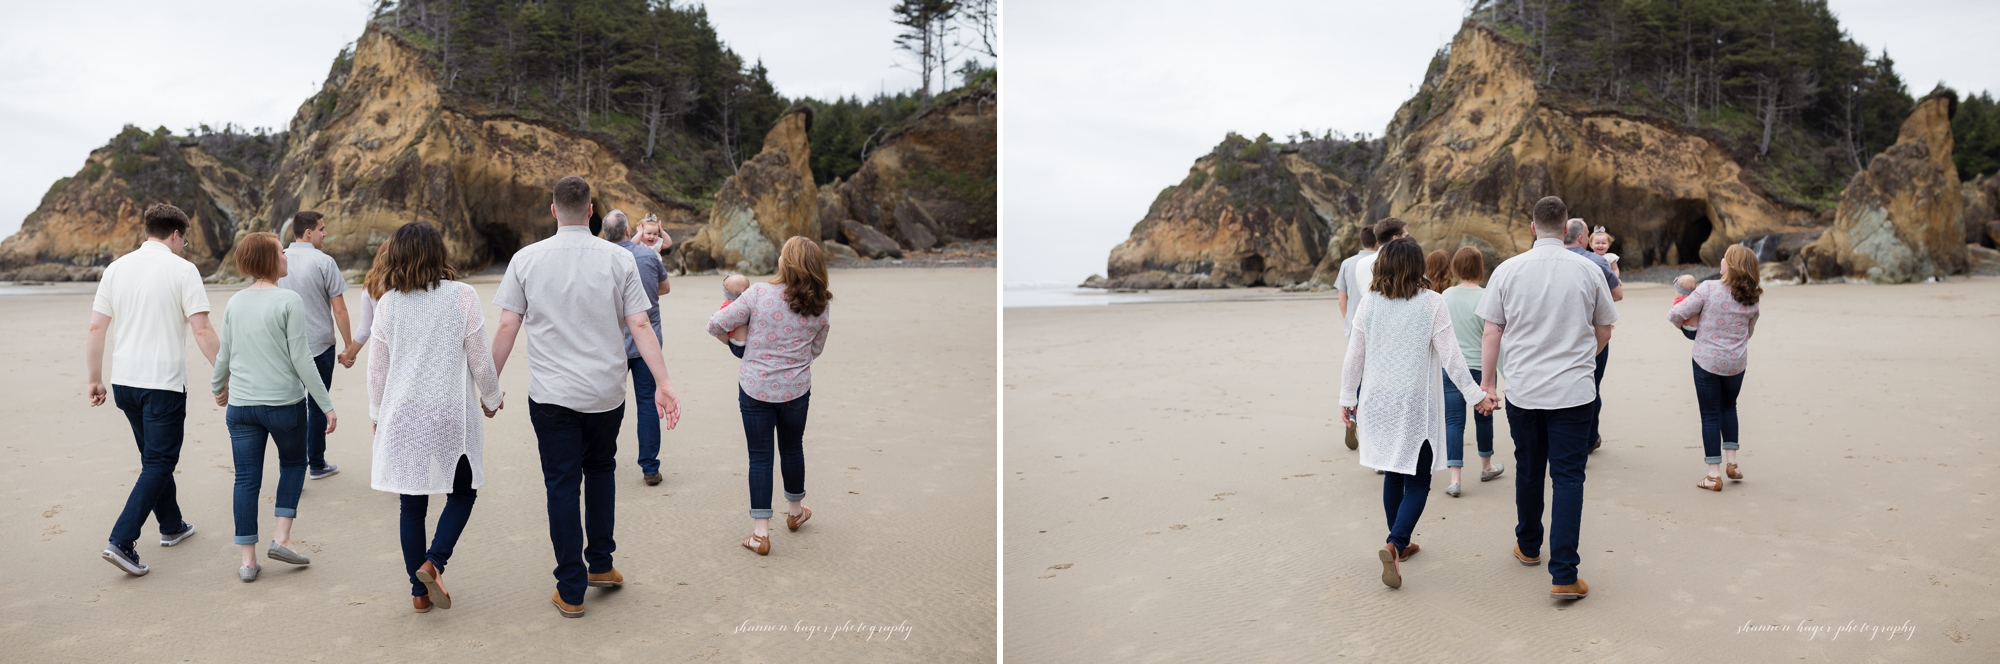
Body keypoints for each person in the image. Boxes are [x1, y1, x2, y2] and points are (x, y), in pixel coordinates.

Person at [491, 175, 680, 619]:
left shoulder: (526, 259)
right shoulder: (619, 260)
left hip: (553, 395)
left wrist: (488, 386)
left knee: (561, 485)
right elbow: (640, 325)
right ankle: (600, 564)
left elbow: (506, 327)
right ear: (591, 209)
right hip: (605, 393)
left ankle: (571, 588)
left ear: (553, 211)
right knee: (600, 472)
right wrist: (664, 382)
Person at [1476, 196, 1617, 600]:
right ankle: (1564, 573)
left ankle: (1528, 545)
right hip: (1573, 391)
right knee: (1569, 477)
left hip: (1524, 388)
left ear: (1534, 227)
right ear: (1567, 228)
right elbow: (1605, 328)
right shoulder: (1589, 268)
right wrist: (1580, 359)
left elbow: (1491, 332)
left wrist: (1489, 385)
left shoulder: (1507, 270)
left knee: (1529, 468)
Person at [365, 222, 505, 613]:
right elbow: (480, 358)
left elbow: (377, 369)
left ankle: (418, 593)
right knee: (463, 492)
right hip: (450, 412)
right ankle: (435, 561)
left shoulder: (388, 303)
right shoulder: (462, 296)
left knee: (412, 505)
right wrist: (492, 398)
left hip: (404, 412)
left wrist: (377, 415)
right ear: (438, 253)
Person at [1339, 237, 1491, 589]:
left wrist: (1348, 398)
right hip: (1413, 403)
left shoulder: (1368, 305)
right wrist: (1476, 396)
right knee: (1419, 480)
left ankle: (1400, 543)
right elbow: (1453, 357)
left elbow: (1354, 356)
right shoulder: (1432, 303)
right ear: (1416, 267)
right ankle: (1395, 543)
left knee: (1394, 471)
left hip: (1377, 401)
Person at [89, 203, 220, 576]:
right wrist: (227, 374)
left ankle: (172, 525)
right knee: (161, 461)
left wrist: (94, 379)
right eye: (186, 240)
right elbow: (202, 329)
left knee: (153, 458)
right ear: (176, 234)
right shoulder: (183, 269)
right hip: (161, 383)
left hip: (124, 382)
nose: (185, 246)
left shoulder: (116, 268)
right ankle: (122, 540)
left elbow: (96, 328)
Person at [212, 232, 339, 583]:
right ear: (271, 259)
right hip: (284, 404)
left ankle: (247, 561)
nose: (287, 256)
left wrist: (217, 387)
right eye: (282, 252)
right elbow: (301, 358)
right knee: (295, 463)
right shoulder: (289, 300)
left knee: (246, 479)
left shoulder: (236, 301)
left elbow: (225, 353)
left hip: (241, 407)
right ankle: (281, 538)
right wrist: (326, 405)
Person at [708, 237, 832, 557]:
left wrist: (739, 347)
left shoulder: (759, 292)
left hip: (754, 387)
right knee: (792, 448)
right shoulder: (820, 305)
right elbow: (815, 350)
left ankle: (760, 534)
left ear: (785, 263)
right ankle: (795, 512)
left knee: (760, 456)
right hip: (796, 388)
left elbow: (716, 324)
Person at [1669, 245, 1761, 492]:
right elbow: (1749, 332)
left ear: (1730, 266)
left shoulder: (1709, 288)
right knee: (1729, 407)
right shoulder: (1752, 298)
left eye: (1725, 257)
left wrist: (1685, 327)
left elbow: (1675, 313)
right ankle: (1733, 463)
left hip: (1707, 361)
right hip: (1736, 363)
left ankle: (1713, 475)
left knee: (1709, 415)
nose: (1721, 260)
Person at [277, 211, 353, 479]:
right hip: (320, 344)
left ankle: (293, 466)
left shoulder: (278, 259)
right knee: (318, 403)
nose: (325, 233)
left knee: (290, 406)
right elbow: (340, 309)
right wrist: (348, 346)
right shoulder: (324, 262)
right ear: (308, 232)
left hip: (286, 346)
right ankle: (317, 463)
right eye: (322, 229)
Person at [601, 210, 673, 487]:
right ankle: (650, 467)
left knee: (606, 403)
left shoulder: (601, 257)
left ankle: (601, 460)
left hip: (611, 342)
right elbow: (664, 289)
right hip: (647, 342)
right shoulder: (647, 256)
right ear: (629, 231)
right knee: (647, 403)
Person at [1440, 247, 1503, 497]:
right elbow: (1495, 336)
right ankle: (1486, 466)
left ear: (1455, 267)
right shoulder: (1487, 296)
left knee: (1454, 421)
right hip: (1481, 367)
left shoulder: (1445, 295)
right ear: (1480, 268)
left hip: (1452, 368)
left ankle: (1455, 480)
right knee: (1484, 417)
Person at [1565, 218, 1622, 452]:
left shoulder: (1545, 260)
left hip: (1557, 334)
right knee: (1591, 387)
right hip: (1590, 336)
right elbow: (1617, 295)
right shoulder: (1596, 262)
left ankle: (1561, 438)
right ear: (1581, 238)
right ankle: (1588, 438)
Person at [1333, 226, 1378, 451]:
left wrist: (1348, 323)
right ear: (1378, 241)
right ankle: (1372, 425)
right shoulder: (1383, 262)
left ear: (1361, 241)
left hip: (1354, 328)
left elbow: (1342, 299)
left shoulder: (1348, 263)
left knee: (1356, 375)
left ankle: (1353, 416)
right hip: (1379, 328)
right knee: (1375, 378)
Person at [337, 238, 395, 369]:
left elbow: (364, 330)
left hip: (382, 351)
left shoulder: (371, 288)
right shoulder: (410, 287)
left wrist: (349, 355)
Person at [719, 274, 751, 357]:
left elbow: (718, 323)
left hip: (736, 346)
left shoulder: (727, 307)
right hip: (751, 345)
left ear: (726, 296)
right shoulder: (750, 305)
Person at [1672, 274, 1702, 339]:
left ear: (1679, 291)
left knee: (1676, 317)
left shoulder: (1679, 301)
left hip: (1688, 331)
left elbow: (1676, 316)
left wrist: (1679, 326)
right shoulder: (1697, 299)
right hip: (1700, 329)